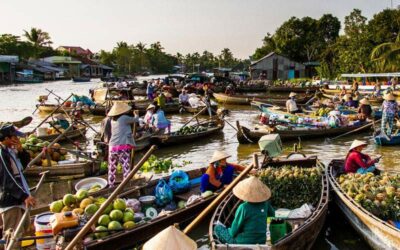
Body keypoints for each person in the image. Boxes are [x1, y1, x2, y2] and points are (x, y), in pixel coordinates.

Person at [0, 124, 36, 246]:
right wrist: (24, 196)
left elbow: (23, 167)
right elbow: (8, 180)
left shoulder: (11, 150)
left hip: (19, 196)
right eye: (14, 137)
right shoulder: (2, 154)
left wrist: (21, 151)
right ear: (6, 139)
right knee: (13, 236)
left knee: (24, 231)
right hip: (11, 200)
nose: (17, 139)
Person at [213, 176, 275, 244]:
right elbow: (272, 215)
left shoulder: (243, 207)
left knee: (217, 228)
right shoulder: (265, 204)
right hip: (263, 239)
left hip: (243, 242)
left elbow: (233, 232)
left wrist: (228, 230)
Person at [107, 102, 139, 187]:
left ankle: (111, 185)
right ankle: (126, 185)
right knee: (126, 168)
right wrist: (136, 114)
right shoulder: (124, 118)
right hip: (122, 147)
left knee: (112, 168)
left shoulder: (112, 120)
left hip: (112, 147)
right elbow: (136, 120)